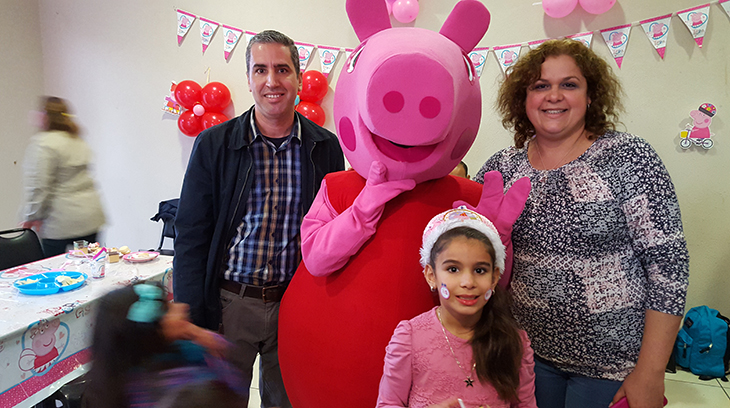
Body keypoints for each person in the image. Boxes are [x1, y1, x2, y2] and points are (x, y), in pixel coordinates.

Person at [474, 39, 689, 408]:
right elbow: (466, 242)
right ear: (523, 99)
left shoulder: (628, 157)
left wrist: (651, 371)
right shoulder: (503, 166)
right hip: (526, 357)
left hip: (612, 367)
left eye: (569, 84)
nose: (553, 95)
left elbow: (668, 267)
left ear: (590, 96)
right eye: (540, 85)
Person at [172, 29, 344, 407]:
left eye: (282, 69)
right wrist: (189, 308)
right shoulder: (214, 144)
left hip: (295, 304)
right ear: (249, 79)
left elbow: (334, 231)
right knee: (220, 402)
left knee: (286, 402)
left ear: (299, 78)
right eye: (260, 70)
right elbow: (192, 232)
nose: (272, 81)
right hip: (229, 304)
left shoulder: (325, 147)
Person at [377, 207, 536, 408]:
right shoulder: (410, 338)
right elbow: (387, 403)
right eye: (453, 269)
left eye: (480, 270)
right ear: (431, 275)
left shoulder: (515, 342)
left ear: (494, 277)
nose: (468, 282)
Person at [84, 282, 246, 408]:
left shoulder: (119, 375)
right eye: (168, 308)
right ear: (150, 332)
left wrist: (195, 333)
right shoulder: (179, 386)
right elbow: (234, 386)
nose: (182, 307)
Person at [20, 96, 106, 256]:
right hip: (90, 216)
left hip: (60, 221)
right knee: (90, 264)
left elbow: (39, 187)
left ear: (45, 116)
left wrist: (31, 216)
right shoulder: (77, 139)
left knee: (53, 267)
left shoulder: (43, 143)